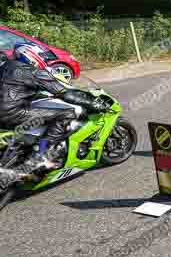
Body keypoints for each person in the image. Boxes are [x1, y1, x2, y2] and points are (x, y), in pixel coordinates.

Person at [0, 43, 107, 178]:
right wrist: (93, 103)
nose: (44, 59)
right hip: (12, 113)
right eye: (42, 56)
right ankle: (39, 157)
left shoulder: (5, 66)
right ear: (31, 55)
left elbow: (15, 89)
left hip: (6, 112)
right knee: (67, 114)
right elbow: (65, 93)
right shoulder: (33, 72)